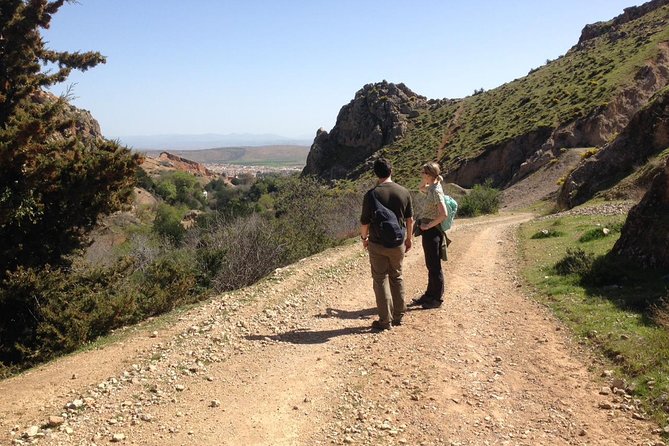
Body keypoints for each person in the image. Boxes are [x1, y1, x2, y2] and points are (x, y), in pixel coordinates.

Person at [360, 158, 414, 331]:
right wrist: (409, 239)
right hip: (398, 242)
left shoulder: (371, 194)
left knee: (380, 279)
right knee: (396, 276)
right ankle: (399, 316)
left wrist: (364, 239)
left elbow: (364, 222)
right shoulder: (404, 192)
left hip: (377, 243)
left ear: (376, 174)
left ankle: (385, 321)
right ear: (391, 171)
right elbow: (409, 219)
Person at [411, 161, 448, 309]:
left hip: (432, 232)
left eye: (423, 173)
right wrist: (426, 182)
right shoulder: (432, 188)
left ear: (429, 174)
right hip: (430, 232)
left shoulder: (435, 191)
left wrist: (428, 225)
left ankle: (436, 299)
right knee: (430, 264)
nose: (421, 175)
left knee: (434, 266)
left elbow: (443, 214)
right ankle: (429, 295)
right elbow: (421, 189)